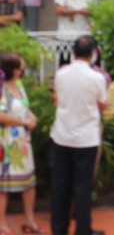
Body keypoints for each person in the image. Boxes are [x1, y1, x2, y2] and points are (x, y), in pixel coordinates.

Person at [50, 35, 108, 235]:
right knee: (82, 187)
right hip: (86, 138)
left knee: (60, 184)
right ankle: (83, 229)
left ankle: (59, 229)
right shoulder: (97, 77)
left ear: (73, 52)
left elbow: (58, 96)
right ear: (94, 54)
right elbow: (102, 104)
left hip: (62, 135)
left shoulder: (61, 73)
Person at [0, 54, 41, 234]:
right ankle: (1, 224)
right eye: (22, 65)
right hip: (7, 143)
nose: (24, 67)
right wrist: (23, 122)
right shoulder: (2, 89)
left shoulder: (19, 85)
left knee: (29, 183)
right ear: (15, 69)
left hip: (23, 143)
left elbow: (24, 107)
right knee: (3, 186)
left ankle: (29, 219)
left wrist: (31, 117)